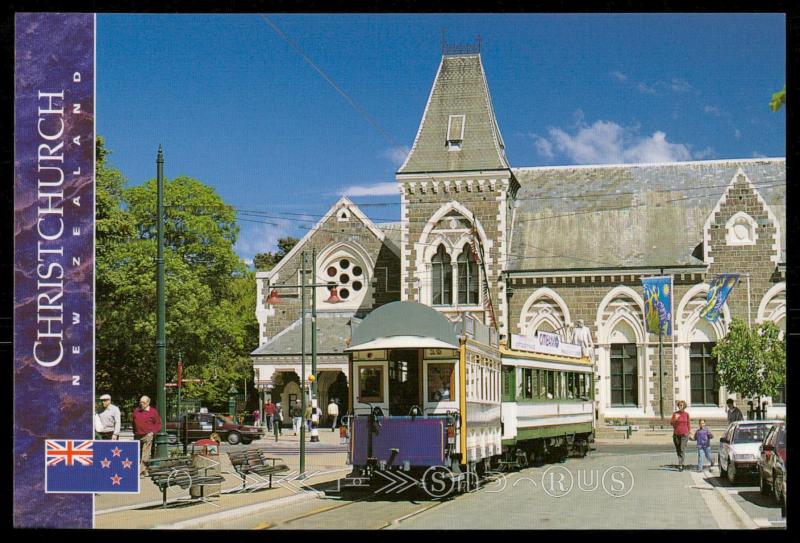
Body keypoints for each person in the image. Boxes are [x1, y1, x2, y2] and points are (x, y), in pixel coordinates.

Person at [132, 395, 162, 477]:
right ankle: (139, 470)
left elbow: (158, 424)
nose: (141, 404)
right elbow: (133, 422)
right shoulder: (136, 411)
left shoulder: (153, 412)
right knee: (137, 453)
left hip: (147, 435)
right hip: (137, 435)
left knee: (145, 454)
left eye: (144, 402)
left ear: (148, 403)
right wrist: (134, 432)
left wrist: (153, 432)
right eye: (140, 402)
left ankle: (141, 472)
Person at [670, 400, 691, 471]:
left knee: (682, 449)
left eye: (682, 405)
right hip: (676, 434)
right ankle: (681, 462)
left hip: (684, 434)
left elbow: (688, 424)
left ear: (684, 406)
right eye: (679, 405)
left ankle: (680, 464)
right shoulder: (675, 414)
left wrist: (689, 432)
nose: (680, 406)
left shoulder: (686, 414)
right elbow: (671, 423)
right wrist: (675, 419)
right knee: (678, 450)